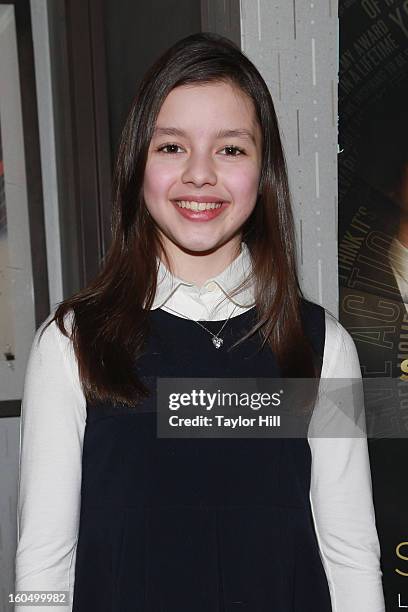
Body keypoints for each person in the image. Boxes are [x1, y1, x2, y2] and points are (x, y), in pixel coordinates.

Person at [15, 32, 385, 611]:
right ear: (138, 163)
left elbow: (350, 551)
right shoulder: (72, 344)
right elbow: (43, 559)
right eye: (171, 147)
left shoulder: (320, 347)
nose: (200, 174)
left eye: (231, 149)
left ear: (264, 173)